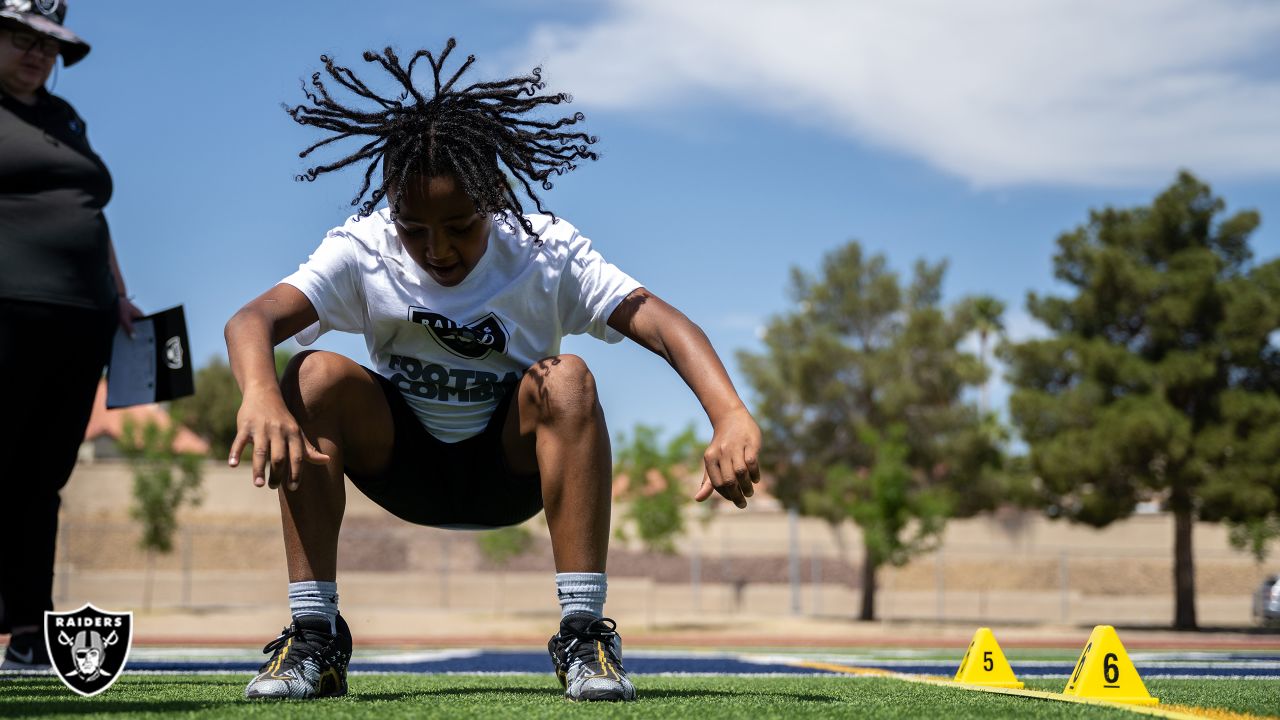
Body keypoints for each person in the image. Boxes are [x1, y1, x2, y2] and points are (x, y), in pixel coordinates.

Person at [225, 40, 762, 702]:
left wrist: (729, 413)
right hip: (405, 468)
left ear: (495, 200)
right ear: (390, 206)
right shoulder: (363, 250)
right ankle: (315, 638)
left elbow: (662, 322)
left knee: (567, 377)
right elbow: (251, 320)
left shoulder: (544, 252)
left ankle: (584, 635)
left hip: (513, 471)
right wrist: (258, 394)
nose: (438, 248)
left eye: (460, 225)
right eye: (414, 228)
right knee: (311, 378)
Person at [0, 0, 141, 669]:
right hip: (6, 310)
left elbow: (90, 213)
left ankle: (29, 630)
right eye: (20, 38)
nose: (36, 54)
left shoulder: (65, 119)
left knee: (42, 477)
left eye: (47, 45)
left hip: (80, 321)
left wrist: (119, 295)